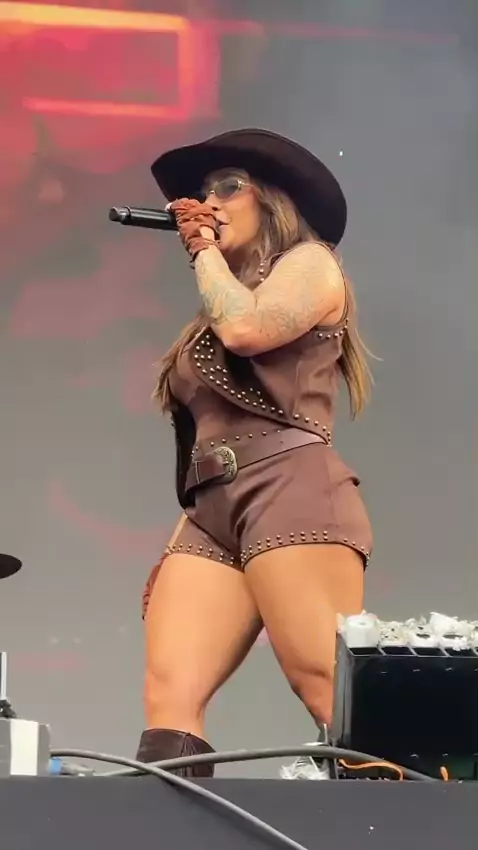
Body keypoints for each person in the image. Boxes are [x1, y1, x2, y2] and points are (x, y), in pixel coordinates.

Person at [136, 129, 373, 776]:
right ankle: (168, 822)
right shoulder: (219, 303)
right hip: (214, 508)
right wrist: (184, 530)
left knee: (322, 681)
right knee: (170, 693)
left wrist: (202, 251)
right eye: (202, 192)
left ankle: (408, 814)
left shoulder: (312, 264)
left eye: (227, 187)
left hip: (288, 487)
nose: (208, 202)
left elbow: (246, 328)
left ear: (274, 200)